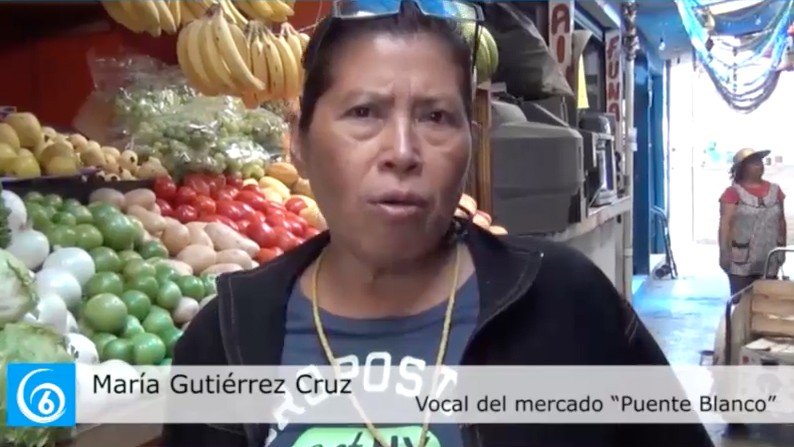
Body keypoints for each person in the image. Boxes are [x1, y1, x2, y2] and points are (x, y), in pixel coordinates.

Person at [163, 1, 714, 446]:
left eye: (436, 117)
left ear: (471, 146)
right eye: (364, 113)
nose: (402, 151)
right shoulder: (224, 341)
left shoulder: (568, 305)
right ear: (299, 145)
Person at [719, 148, 786, 296]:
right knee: (742, 302)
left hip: (769, 257)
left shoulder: (775, 191)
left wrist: (782, 248)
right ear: (741, 168)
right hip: (741, 260)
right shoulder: (732, 193)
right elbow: (725, 224)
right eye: (753, 163)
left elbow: (781, 220)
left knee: (767, 302)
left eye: (760, 162)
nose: (759, 165)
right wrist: (724, 252)